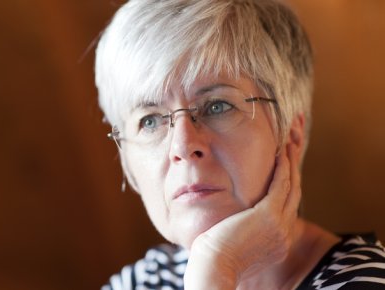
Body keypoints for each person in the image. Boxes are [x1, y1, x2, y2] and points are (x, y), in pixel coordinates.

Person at [94, 0, 385, 289]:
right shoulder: (139, 283)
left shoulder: (365, 280)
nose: (182, 147)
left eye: (217, 106)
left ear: (290, 135)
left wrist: (218, 267)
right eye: (150, 121)